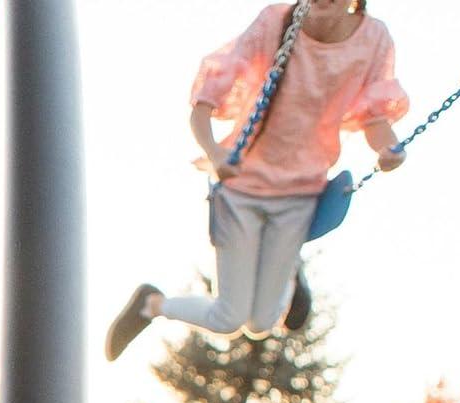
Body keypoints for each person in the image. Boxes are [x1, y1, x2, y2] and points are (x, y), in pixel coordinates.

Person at [106, 0, 407, 361]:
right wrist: (216, 154)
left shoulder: (373, 38)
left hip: (300, 195)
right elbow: (204, 100)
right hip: (242, 190)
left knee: (262, 322)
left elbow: (375, 119)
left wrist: (389, 151)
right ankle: (151, 304)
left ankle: (290, 271)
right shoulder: (277, 21)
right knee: (228, 317)